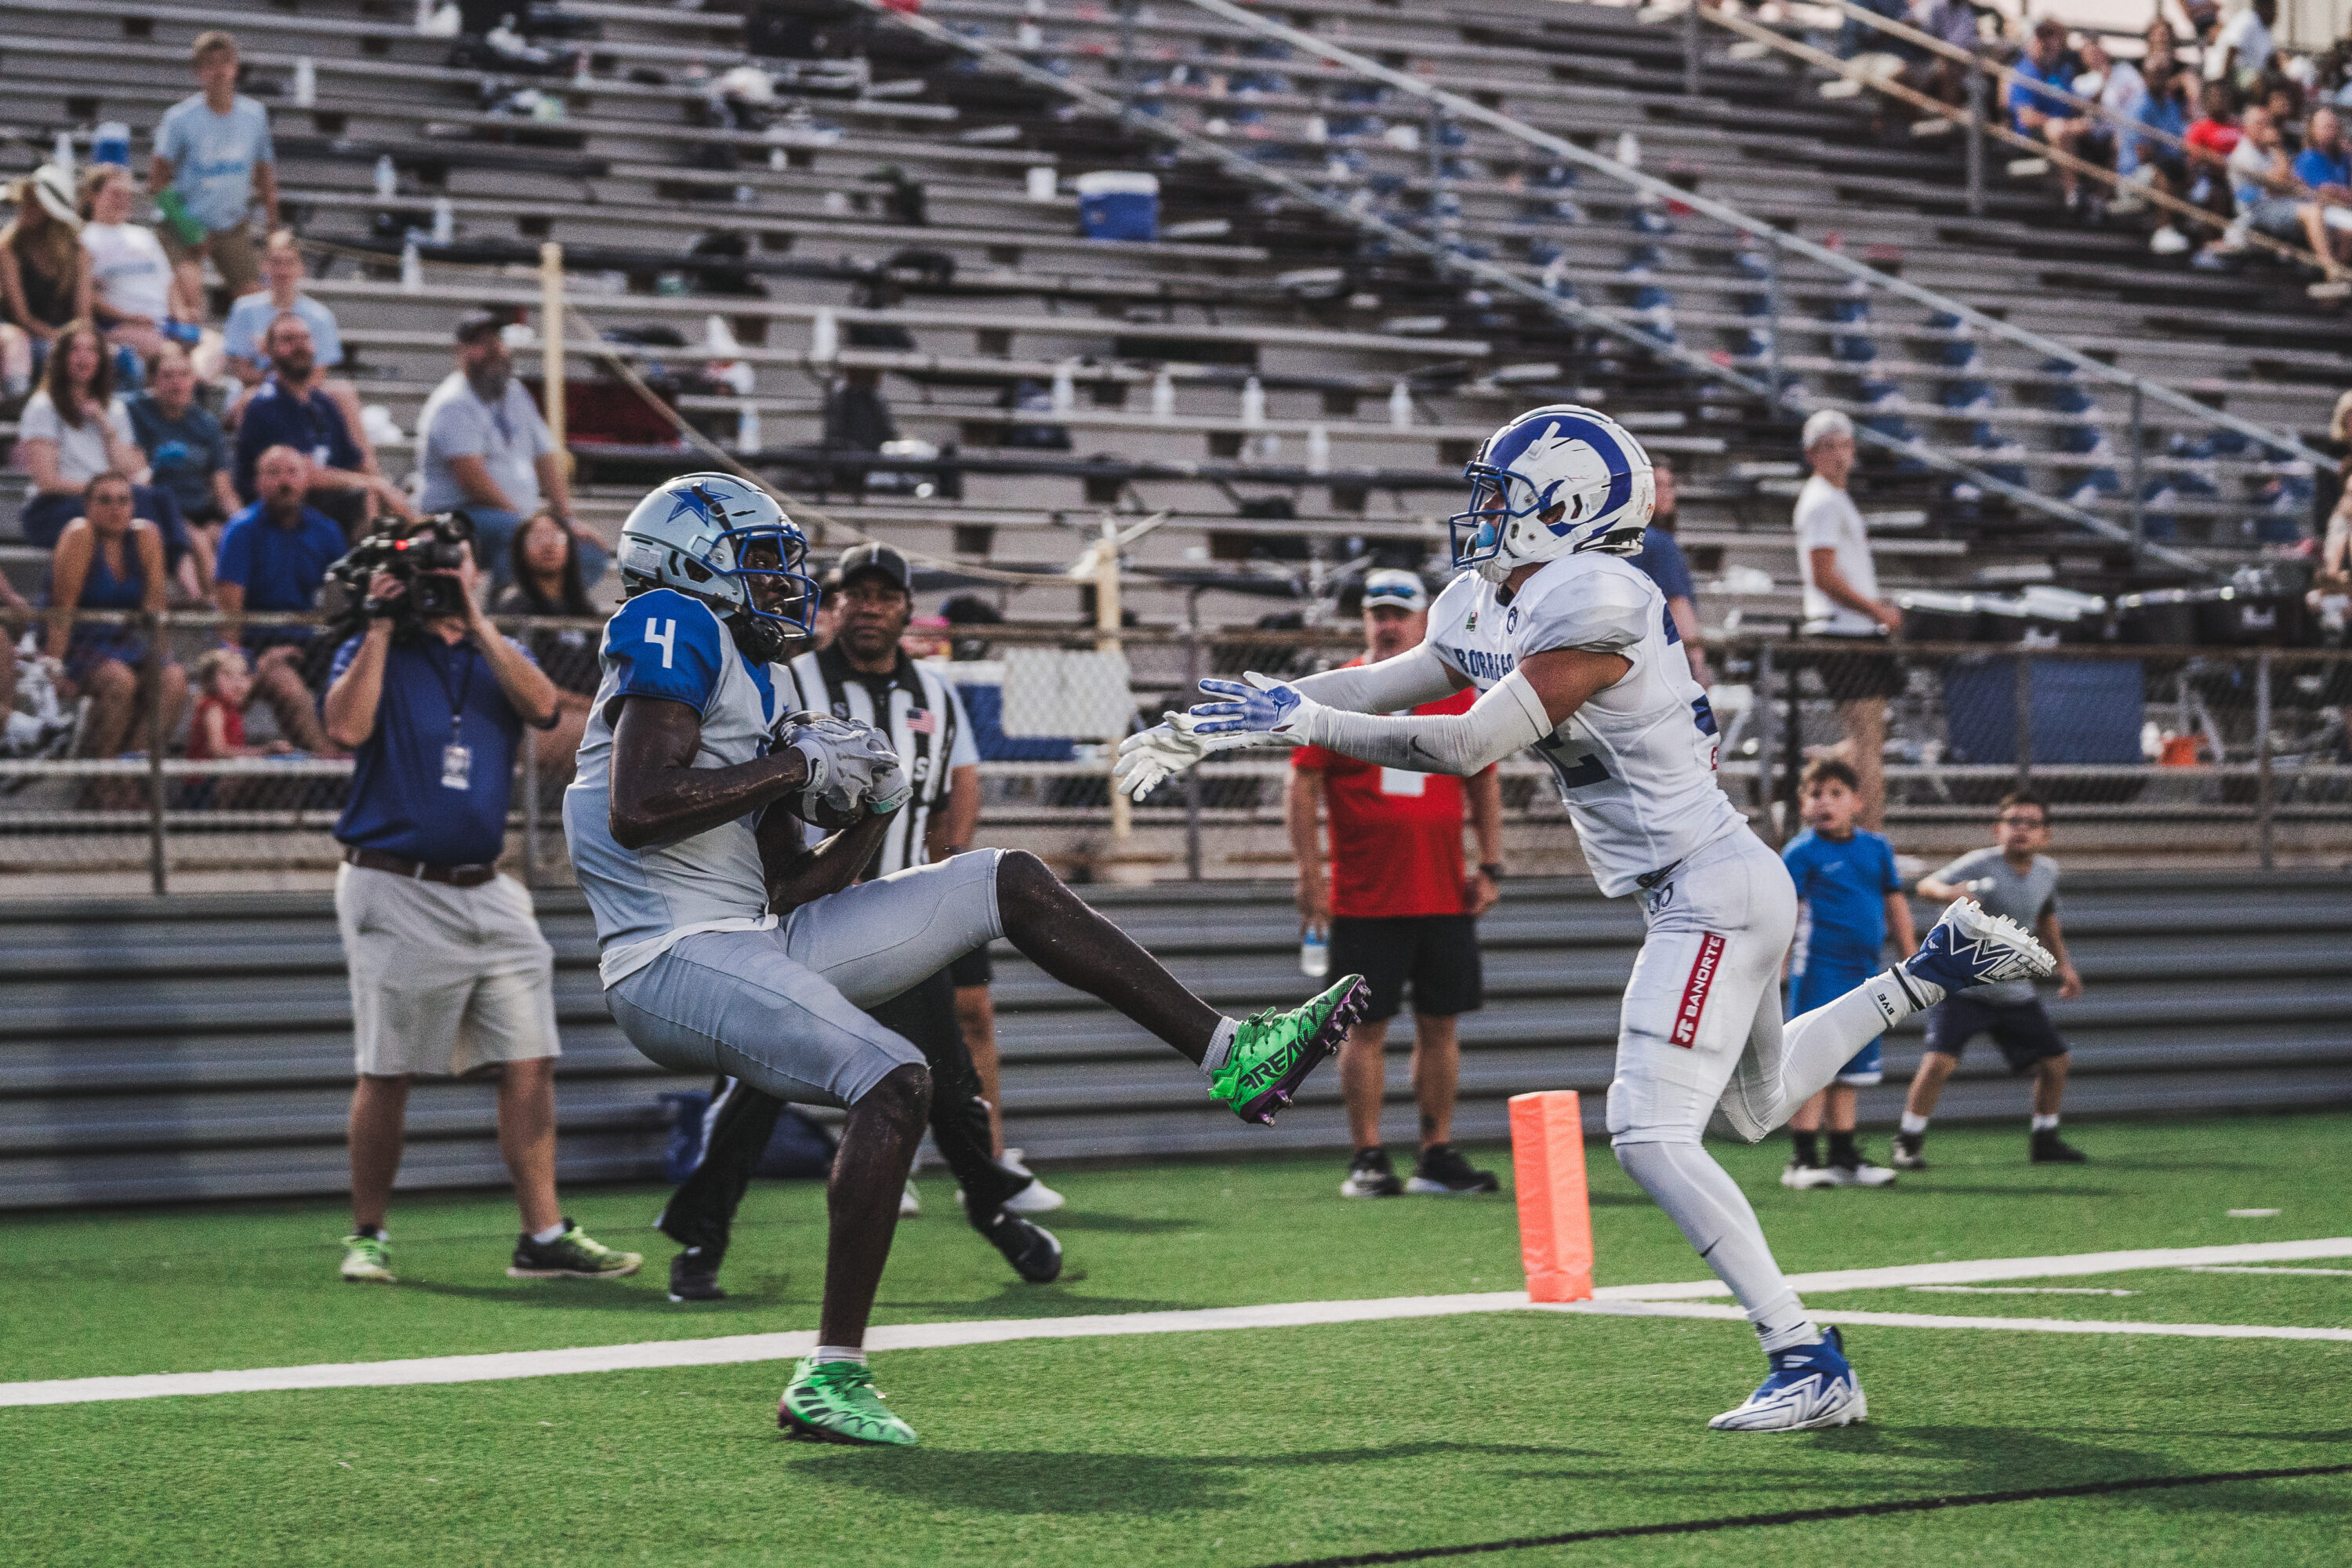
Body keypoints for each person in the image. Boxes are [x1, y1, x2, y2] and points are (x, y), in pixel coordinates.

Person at [1120, 402, 2056, 1432]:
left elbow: (1468, 746)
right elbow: (1383, 682)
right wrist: (1229, 721)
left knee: (1647, 1134)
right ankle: (1934, 968)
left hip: (1709, 883)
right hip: (1711, 884)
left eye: (1502, 497)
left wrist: (1307, 724)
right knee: (1748, 1113)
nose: (1480, 516)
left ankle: (1806, 1357)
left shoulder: (1598, 595)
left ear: (1562, 507)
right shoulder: (1491, 598)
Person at [563, 473, 1367, 1444]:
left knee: (1007, 876)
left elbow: (787, 886)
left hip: (749, 932)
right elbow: (640, 805)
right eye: (763, 561)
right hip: (665, 957)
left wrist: (870, 811)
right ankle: (831, 1376)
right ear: (696, 565)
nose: (786, 582)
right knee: (896, 1077)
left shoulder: (757, 673)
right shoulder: (666, 619)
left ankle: (1230, 1051)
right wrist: (796, 765)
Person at [652, 539, 1066, 1305]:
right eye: (856, 593)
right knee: (755, 1084)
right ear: (834, 604)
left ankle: (993, 1211)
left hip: (898, 920)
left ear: (907, 608)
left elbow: (952, 795)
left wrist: (946, 890)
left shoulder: (935, 695)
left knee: (952, 1090)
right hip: (800, 921)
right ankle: (702, 1237)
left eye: (886, 594)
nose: (870, 605)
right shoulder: (789, 678)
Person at [321, 537, 639, 1287]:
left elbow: (540, 707)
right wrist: (376, 620)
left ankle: (543, 1234)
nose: (440, 578)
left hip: (486, 886)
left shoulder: (492, 654)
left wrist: (476, 617)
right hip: (394, 882)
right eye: (431, 569)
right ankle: (368, 1234)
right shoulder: (380, 647)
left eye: (452, 563)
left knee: (530, 1056)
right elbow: (346, 727)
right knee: (389, 1069)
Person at [1287, 568, 1504, 1200]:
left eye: (1398, 612)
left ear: (1421, 622)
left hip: (1443, 893)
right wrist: (1309, 871)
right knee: (1366, 1028)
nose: (1386, 624)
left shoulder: (1455, 692)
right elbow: (1301, 779)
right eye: (1375, 612)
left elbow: (1483, 776)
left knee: (1442, 1024)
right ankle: (1369, 1155)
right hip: (1364, 897)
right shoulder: (1343, 691)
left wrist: (1490, 864)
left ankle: (1436, 1152)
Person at [1893, 792, 2086, 1170]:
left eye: (2032, 823)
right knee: (1938, 1063)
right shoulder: (1980, 863)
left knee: (2056, 1062)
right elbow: (1925, 886)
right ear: (1997, 828)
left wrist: (2066, 967)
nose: (2021, 830)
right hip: (1967, 987)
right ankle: (1908, 1142)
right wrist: (1949, 892)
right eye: (2014, 822)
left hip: (2014, 989)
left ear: (2046, 834)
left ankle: (2045, 1140)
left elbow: (2046, 919)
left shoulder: (2047, 871)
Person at [1777, 759, 1915, 1190]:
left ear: (1857, 802)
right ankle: (1802, 1161)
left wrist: (1911, 956)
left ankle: (1844, 1158)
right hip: (1817, 972)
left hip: (1864, 974)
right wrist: (1776, 967)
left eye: (1836, 794)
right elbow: (1786, 912)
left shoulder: (1876, 848)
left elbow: (1894, 904)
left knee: (1851, 1067)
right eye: (1816, 794)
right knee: (1816, 1064)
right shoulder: (1801, 853)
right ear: (1803, 804)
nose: (1825, 803)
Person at [416, 310, 603, 588]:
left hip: (514, 516)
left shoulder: (516, 393)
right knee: (515, 535)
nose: (493, 349)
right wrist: (531, 526)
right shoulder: (453, 402)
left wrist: (565, 518)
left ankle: (554, 617)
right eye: (480, 343)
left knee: (588, 551)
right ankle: (511, 610)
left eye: (497, 340)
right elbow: (471, 478)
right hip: (459, 515)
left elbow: (546, 456)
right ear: (460, 352)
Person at [1792, 408, 1902, 832]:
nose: (1840, 455)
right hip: (1841, 629)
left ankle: (1822, 761)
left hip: (1853, 628)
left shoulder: (1834, 499)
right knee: (1869, 747)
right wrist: (1877, 611)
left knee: (1869, 741)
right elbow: (1823, 575)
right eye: (1829, 447)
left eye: (1845, 446)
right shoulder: (1821, 501)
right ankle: (1874, 840)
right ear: (1812, 454)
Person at [43, 471, 186, 763]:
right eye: (104, 500)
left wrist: (162, 660)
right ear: (88, 506)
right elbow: (61, 611)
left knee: (173, 680)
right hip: (75, 644)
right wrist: (53, 672)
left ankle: (129, 771)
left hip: (121, 644)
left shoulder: (145, 536)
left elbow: (155, 608)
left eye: (123, 500)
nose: (115, 508)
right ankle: (102, 776)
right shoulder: (80, 534)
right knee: (119, 680)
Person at [212, 444, 346, 755]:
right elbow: (229, 616)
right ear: (258, 483)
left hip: (311, 642)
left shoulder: (327, 531)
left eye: (293, 472)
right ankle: (333, 767)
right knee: (286, 685)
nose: (284, 481)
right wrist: (239, 669)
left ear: (307, 480)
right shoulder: (241, 531)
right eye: (274, 473)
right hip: (256, 644)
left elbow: (343, 601)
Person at [231, 313, 410, 538]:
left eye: (304, 339)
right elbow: (304, 475)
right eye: (288, 340)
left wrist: (384, 487)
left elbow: (355, 461)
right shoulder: (264, 405)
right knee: (367, 495)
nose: (299, 346)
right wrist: (374, 485)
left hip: (327, 501)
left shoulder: (322, 403)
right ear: (270, 350)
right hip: (281, 507)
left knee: (393, 506)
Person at [150, 31, 277, 301]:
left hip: (230, 224)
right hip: (182, 223)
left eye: (225, 62)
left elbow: (264, 171)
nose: (218, 70)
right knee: (188, 295)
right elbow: (157, 181)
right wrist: (188, 226)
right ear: (198, 72)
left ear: (236, 68)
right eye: (210, 63)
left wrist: (273, 222)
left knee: (255, 300)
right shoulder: (179, 119)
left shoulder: (254, 115)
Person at [222, 229, 371, 448]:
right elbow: (243, 373)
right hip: (258, 389)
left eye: (289, 263)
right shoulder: (244, 310)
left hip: (304, 391)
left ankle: (366, 471)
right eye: (275, 262)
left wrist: (270, 358)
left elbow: (317, 377)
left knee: (344, 393)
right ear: (264, 266)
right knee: (250, 399)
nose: (282, 270)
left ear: (301, 269)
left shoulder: (319, 316)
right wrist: (280, 373)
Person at [492, 510, 599, 789]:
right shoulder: (514, 610)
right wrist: (592, 707)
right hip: (539, 721)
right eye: (536, 538)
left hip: (590, 714)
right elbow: (524, 683)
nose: (549, 544)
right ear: (520, 552)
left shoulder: (587, 613)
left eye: (556, 536)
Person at [78, 164, 197, 366]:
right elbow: (89, 297)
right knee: (169, 353)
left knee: (214, 345)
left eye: (126, 195)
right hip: (120, 326)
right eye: (115, 194)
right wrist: (131, 317)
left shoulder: (144, 236)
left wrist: (181, 313)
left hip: (164, 324)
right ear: (94, 195)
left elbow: (167, 283)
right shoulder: (86, 240)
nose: (123, 201)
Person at [125, 342, 236, 554]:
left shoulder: (208, 424)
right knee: (198, 540)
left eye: (184, 375)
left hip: (200, 511)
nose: (177, 383)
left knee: (229, 538)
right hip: (158, 509)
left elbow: (222, 490)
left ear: (193, 380)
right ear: (152, 380)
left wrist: (241, 522)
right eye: (167, 376)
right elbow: (138, 479)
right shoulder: (135, 412)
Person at [1629, 460, 1710, 687]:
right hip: (1663, 658)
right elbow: (1677, 604)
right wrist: (1698, 664)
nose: (1664, 493)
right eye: (1656, 485)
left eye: (1669, 485)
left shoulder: (1625, 540)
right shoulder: (1660, 544)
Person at [0, 165, 91, 365]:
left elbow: (83, 315)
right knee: (51, 353)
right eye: (26, 199)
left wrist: (78, 342)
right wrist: (62, 339)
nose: (26, 205)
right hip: (25, 336)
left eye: (35, 201)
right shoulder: (9, 247)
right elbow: (22, 317)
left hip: (67, 335)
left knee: (121, 359)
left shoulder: (78, 252)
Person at [2010, 21, 2091, 210]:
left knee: (2099, 130)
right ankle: (2073, 192)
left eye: (2052, 38)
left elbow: (2074, 105)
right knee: (2059, 130)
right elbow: (2026, 117)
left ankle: (2102, 198)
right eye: (2041, 38)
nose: (2047, 44)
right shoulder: (2024, 72)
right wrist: (2066, 125)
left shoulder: (2062, 73)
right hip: (2033, 138)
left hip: (2065, 133)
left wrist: (2079, 122)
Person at [2207, 0, 2276, 93]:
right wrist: (2223, 83)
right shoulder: (2248, 19)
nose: (2275, 13)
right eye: (2273, 8)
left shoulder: (2265, 30)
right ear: (2263, 7)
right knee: (2260, 83)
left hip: (2250, 73)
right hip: (2228, 72)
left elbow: (2268, 59)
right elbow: (2232, 48)